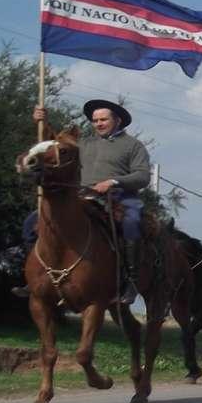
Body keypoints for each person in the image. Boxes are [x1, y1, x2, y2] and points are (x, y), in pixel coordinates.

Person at [21, 100, 151, 304]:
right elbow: (52, 146)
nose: (98, 124)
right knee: (31, 223)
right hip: (83, 198)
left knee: (131, 223)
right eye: (95, 120)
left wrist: (113, 181)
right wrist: (43, 122)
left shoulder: (133, 146)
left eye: (103, 119)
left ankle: (130, 282)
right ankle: (36, 276)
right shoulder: (83, 144)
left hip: (119, 199)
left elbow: (143, 176)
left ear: (117, 120)